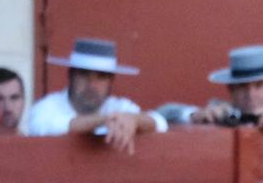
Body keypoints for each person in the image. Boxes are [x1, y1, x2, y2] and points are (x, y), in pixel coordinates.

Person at [21, 37, 167, 153]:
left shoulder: (118, 106)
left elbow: (160, 122)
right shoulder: (47, 106)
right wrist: (105, 120)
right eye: (84, 75)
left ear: (111, 82)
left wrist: (134, 120)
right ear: (70, 76)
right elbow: (46, 126)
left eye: (101, 76)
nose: (92, 84)